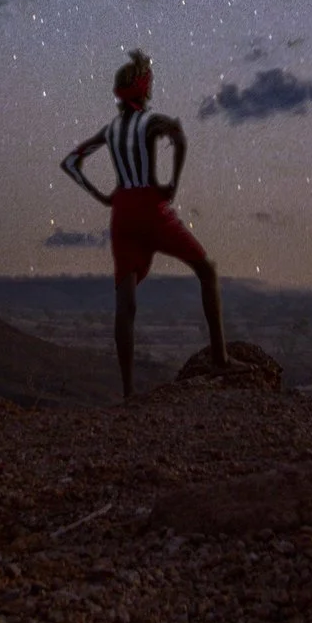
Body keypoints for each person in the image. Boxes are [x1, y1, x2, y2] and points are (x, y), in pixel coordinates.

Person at [59, 49, 230, 400]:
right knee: (206, 270)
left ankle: (128, 392)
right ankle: (220, 359)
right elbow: (179, 138)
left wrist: (103, 196)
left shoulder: (110, 130)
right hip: (150, 208)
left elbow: (71, 163)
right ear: (143, 90)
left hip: (122, 212)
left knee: (126, 301)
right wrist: (173, 184)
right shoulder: (150, 122)